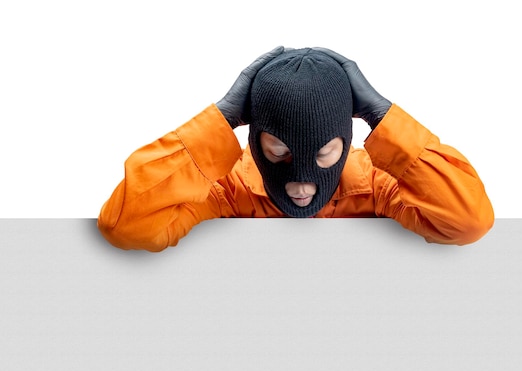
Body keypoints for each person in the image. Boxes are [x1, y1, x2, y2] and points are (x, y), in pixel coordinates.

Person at [98, 46, 494, 252]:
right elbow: (126, 228)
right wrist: (219, 120)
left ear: (348, 140)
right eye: (277, 151)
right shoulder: (228, 187)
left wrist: (382, 114)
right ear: (254, 141)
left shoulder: (375, 184)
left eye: (325, 154)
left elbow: (469, 222)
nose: (301, 183)